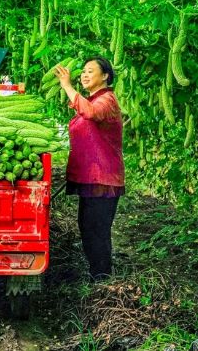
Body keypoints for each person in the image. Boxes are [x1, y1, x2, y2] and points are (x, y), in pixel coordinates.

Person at [54, 56, 124, 281]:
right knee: (88, 230)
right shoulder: (92, 99)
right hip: (91, 179)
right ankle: (98, 277)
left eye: (90, 71)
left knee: (97, 232)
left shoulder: (107, 100)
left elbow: (91, 113)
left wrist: (67, 85)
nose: (84, 75)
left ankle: (103, 281)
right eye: (82, 71)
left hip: (102, 179)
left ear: (105, 76)